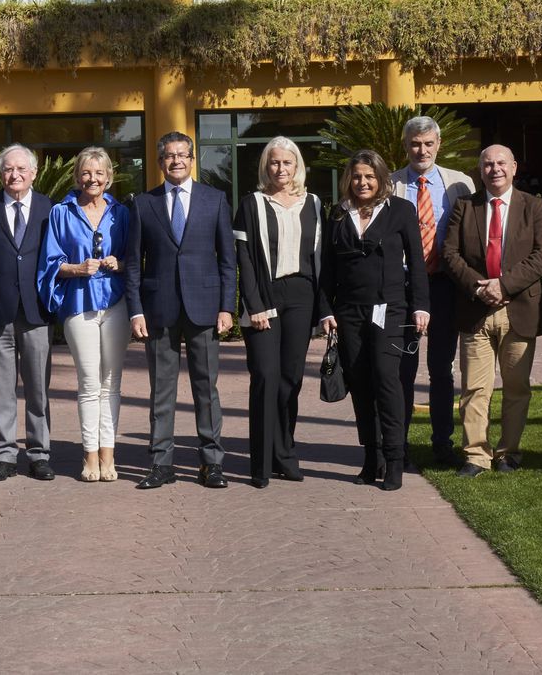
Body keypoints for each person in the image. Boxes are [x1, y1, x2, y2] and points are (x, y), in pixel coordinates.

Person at [126, 131, 237, 490]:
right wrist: (136, 311)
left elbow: (227, 260)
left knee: (207, 389)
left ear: (192, 160)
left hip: (204, 307)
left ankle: (211, 463)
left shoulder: (214, 200)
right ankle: (161, 464)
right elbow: (134, 264)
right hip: (159, 310)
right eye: (169, 156)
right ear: (160, 162)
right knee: (162, 390)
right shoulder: (144, 204)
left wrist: (227, 307)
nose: (176, 161)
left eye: (182, 155)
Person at [442, 144, 542, 478]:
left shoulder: (534, 206)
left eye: (501, 163)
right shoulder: (465, 206)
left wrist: (504, 286)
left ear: (514, 167)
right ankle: (476, 455)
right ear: (480, 170)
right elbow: (450, 254)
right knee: (474, 389)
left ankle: (509, 452)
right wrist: (480, 287)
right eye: (488, 164)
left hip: (517, 308)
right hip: (475, 309)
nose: (495, 170)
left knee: (516, 387)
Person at [318, 150, 429, 491]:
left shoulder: (401, 210)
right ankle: (371, 457)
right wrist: (326, 310)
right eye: (356, 176)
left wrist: (420, 306)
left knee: (386, 380)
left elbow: (417, 263)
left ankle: (395, 458)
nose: (362, 182)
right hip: (349, 312)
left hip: (390, 309)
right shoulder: (338, 214)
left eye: (369, 176)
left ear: (381, 179)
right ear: (348, 180)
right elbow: (327, 269)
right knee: (360, 384)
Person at [235, 137, 327, 488]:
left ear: (297, 166)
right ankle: (260, 465)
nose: (280, 169)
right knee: (265, 376)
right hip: (265, 296)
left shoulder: (313, 204)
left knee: (291, 379)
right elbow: (245, 260)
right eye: (274, 162)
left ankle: (284, 455)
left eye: (287, 162)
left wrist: (323, 310)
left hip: (302, 296)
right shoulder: (252, 204)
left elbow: (321, 261)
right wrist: (254, 305)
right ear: (265, 166)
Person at [40, 147, 132, 483]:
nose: (92, 179)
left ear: (109, 177)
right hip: (79, 304)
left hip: (116, 304)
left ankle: (109, 454)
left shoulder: (121, 213)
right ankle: (90, 455)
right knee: (90, 382)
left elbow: (135, 258)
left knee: (112, 383)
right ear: (77, 176)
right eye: (86, 173)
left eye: (99, 173)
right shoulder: (60, 213)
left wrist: (120, 262)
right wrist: (77, 268)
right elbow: (49, 263)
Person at [391, 115, 475, 467]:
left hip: (444, 286)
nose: (421, 150)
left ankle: (443, 443)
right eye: (415, 144)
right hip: (404, 288)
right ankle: (399, 445)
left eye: (428, 143)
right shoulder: (390, 184)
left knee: (441, 368)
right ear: (405, 146)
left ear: (438, 144)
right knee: (403, 369)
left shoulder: (460, 184)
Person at [0, 145, 55, 482]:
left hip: (36, 311)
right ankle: (4, 455)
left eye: (22, 169)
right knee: (1, 388)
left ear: (34, 173)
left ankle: (39, 454)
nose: (15, 175)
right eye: (8, 169)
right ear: (0, 173)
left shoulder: (50, 208)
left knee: (38, 389)